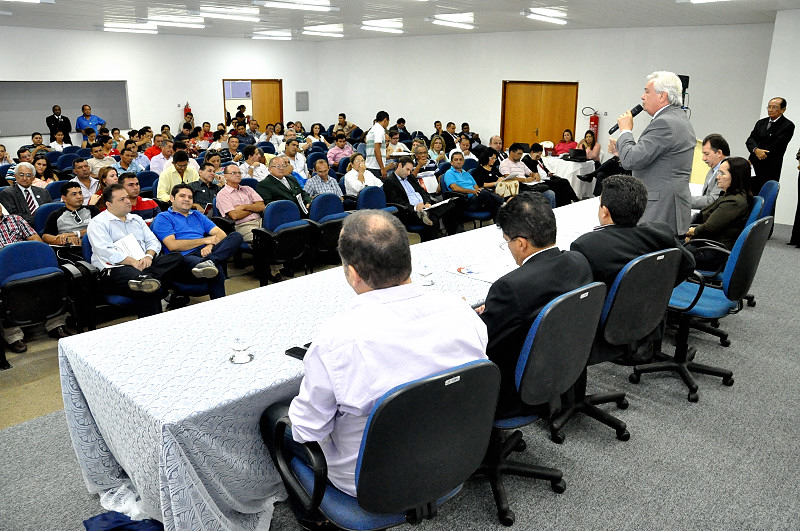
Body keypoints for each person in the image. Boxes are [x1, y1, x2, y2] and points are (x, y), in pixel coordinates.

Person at [261, 209, 487, 509]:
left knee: (271, 417)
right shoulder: (462, 312)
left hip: (368, 481)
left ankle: (311, 517)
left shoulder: (336, 340)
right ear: (408, 258)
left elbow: (308, 431)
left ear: (352, 273)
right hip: (452, 456)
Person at [476, 192, 593, 418]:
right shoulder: (579, 261)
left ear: (520, 243)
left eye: (507, 241)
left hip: (517, 388)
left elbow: (483, 343)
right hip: (567, 364)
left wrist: (470, 316)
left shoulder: (510, 287)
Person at [570, 175, 695, 364]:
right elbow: (689, 265)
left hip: (607, 326)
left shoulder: (587, 245)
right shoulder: (660, 232)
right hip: (651, 315)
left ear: (604, 211)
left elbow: (577, 300)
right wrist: (658, 293)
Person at [608, 71, 696, 235]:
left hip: (662, 207)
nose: (642, 97)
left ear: (662, 96)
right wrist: (622, 151)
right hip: (670, 202)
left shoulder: (664, 123)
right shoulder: (677, 117)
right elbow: (652, 158)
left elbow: (632, 160)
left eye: (647, 91)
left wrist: (625, 131)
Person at [86, 184, 182, 318]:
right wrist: (133, 262)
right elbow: (105, 252)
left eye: (127, 197)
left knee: (176, 258)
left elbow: (153, 241)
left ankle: (145, 279)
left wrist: (148, 256)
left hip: (144, 262)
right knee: (149, 289)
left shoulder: (136, 219)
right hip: (118, 268)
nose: (127, 201)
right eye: (121, 199)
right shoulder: (98, 223)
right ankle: (146, 283)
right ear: (109, 204)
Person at [151, 184, 243, 300]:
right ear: (172, 198)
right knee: (216, 269)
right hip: (184, 257)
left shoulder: (197, 215)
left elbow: (221, 234)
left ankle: (210, 261)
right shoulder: (164, 217)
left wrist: (209, 245)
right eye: (182, 196)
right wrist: (205, 240)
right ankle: (221, 306)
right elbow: (173, 245)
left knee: (236, 236)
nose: (187, 199)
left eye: (190, 197)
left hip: (206, 252)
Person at [0, 209, 71, 353]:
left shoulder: (16, 220)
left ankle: (56, 325)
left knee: (51, 277)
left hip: (27, 263)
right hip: (3, 269)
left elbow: (36, 241)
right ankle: (14, 336)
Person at [684, 156, 752, 270]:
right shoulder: (729, 195)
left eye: (722, 173)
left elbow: (707, 228)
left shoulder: (733, 202)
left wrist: (688, 232)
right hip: (706, 245)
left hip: (711, 253)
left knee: (666, 251)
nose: (717, 177)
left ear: (735, 177)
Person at [383, 156, 461, 240]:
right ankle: (435, 239)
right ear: (399, 165)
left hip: (425, 206)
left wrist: (427, 202)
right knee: (433, 218)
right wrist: (415, 207)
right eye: (407, 169)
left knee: (451, 204)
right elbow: (396, 201)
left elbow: (422, 192)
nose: (409, 173)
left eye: (410, 170)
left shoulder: (410, 178)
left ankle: (453, 235)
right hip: (410, 211)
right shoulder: (389, 182)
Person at [745, 97, 795, 194]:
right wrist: (755, 150)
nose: (770, 109)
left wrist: (760, 151)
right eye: (769, 107)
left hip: (770, 167)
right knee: (749, 193)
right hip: (753, 163)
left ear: (783, 110)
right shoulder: (761, 123)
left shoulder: (787, 125)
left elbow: (777, 145)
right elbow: (750, 140)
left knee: (766, 196)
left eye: (775, 107)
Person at [443, 152, 504, 218]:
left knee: (491, 201)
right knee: (486, 196)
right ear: (451, 162)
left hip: (476, 198)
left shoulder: (467, 174)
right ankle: (502, 203)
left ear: (463, 161)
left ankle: (499, 214)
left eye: (460, 160)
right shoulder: (449, 173)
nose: (458, 162)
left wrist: (477, 191)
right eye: (456, 160)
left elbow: (477, 188)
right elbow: (454, 188)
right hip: (464, 201)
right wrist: (472, 191)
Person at [215, 164, 265, 244]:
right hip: (243, 225)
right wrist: (253, 209)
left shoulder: (248, 189)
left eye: (239, 173)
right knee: (265, 239)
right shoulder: (222, 194)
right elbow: (234, 215)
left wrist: (243, 207)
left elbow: (262, 206)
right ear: (225, 176)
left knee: (279, 235)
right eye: (234, 173)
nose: (238, 175)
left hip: (261, 221)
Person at [498, 143, 557, 207]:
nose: (520, 156)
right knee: (537, 197)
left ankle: (552, 214)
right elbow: (508, 178)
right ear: (512, 153)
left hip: (528, 186)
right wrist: (525, 180)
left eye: (521, 154)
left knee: (551, 194)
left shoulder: (521, 163)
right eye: (519, 154)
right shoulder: (505, 163)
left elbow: (530, 173)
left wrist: (535, 174)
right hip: (517, 187)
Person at [42, 181, 99, 246]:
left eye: (80, 193)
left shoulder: (92, 210)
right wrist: (65, 240)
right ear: (64, 198)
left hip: (92, 245)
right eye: (74, 194)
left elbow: (98, 229)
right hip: (69, 249)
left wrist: (75, 234)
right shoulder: (56, 215)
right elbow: (45, 237)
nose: (79, 197)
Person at [693, 134, 729, 209]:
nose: (704, 158)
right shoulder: (714, 167)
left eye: (706, 154)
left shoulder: (728, 170)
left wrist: (684, 201)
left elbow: (712, 200)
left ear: (719, 153)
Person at [365, 111, 392, 178]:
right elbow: (377, 149)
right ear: (385, 120)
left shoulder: (372, 129)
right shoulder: (379, 130)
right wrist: (382, 168)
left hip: (369, 165)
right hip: (376, 167)